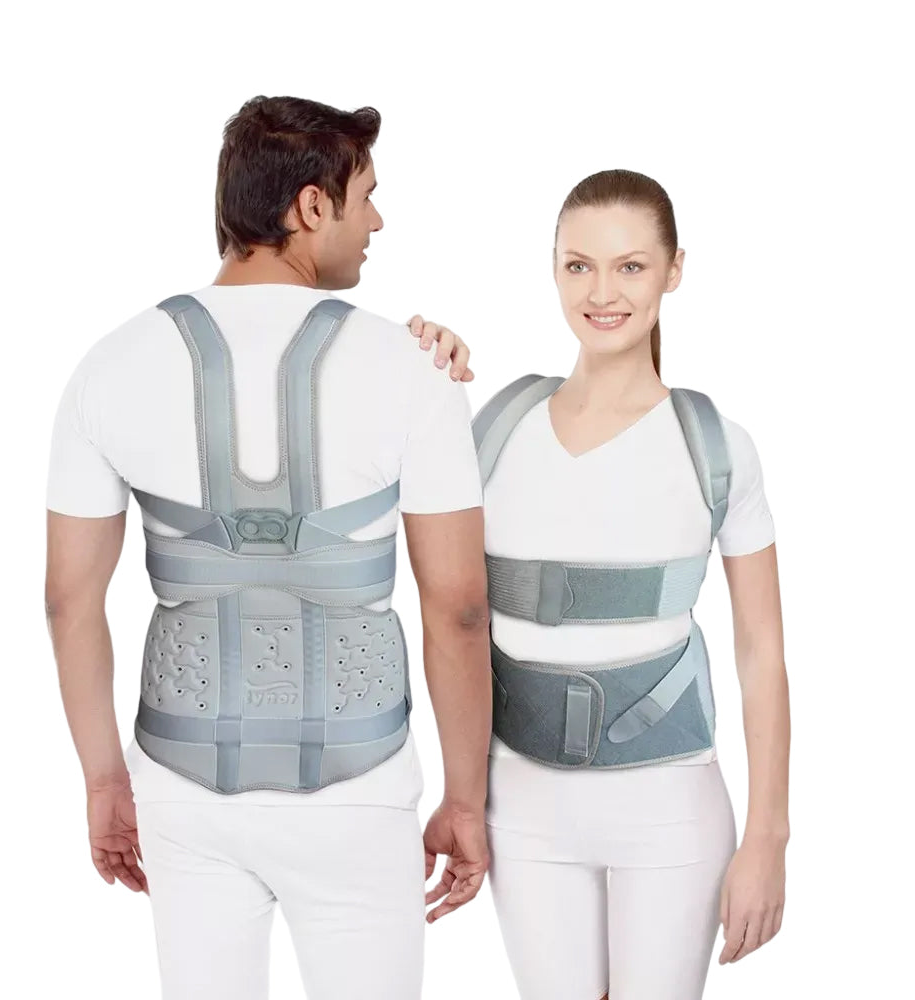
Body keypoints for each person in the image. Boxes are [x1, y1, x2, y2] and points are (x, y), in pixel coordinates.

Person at [44, 95, 492, 1000]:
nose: (377, 221)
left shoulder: (111, 364)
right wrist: (465, 798)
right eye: (367, 196)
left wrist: (104, 780)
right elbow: (458, 609)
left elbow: (67, 600)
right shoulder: (413, 368)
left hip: (182, 788)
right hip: (358, 791)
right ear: (311, 206)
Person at [409, 168, 790, 999]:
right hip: (522, 806)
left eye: (631, 266)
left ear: (674, 271)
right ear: (553, 269)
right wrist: (413, 366)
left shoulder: (717, 446)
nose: (602, 293)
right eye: (578, 266)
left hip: (670, 808)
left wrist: (769, 838)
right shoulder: (493, 429)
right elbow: (383, 506)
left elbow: (761, 652)